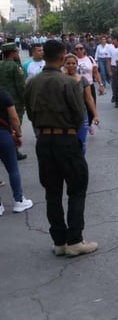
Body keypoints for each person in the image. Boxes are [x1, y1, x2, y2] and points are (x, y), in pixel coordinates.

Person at [24, 39, 97, 257]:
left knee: (52, 193)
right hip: (65, 139)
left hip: (44, 141)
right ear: (61, 56)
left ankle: (59, 241)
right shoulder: (68, 83)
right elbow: (77, 115)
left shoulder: (32, 83)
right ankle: (74, 240)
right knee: (77, 188)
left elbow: (29, 114)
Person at [0, 85, 33, 215]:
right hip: (3, 135)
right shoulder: (4, 94)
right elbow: (14, 117)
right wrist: (18, 133)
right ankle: (18, 200)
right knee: (12, 168)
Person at [62, 53, 100, 155]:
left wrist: (95, 115)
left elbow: (89, 98)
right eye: (68, 63)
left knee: (81, 142)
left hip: (81, 115)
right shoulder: (60, 80)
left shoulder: (83, 80)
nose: (71, 65)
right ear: (63, 65)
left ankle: (80, 163)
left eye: (73, 63)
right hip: (65, 117)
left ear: (77, 64)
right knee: (67, 143)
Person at [0, 43, 28, 160]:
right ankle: (14, 151)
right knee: (15, 126)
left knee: (3, 125)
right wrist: (25, 101)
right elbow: (21, 86)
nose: (17, 53)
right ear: (12, 53)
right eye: (16, 51)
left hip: (1, 100)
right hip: (14, 101)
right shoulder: (16, 67)